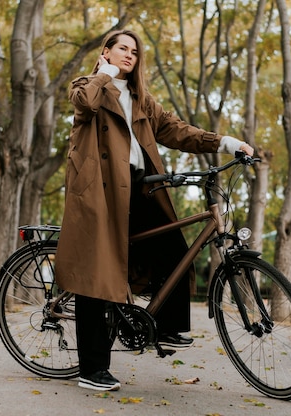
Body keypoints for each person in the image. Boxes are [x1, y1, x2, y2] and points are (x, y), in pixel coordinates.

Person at [56, 29, 254, 392]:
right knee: (96, 277)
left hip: (138, 187)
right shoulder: (91, 84)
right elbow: (83, 102)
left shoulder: (142, 101)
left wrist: (226, 143)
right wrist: (105, 73)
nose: (129, 55)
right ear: (107, 52)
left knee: (175, 248)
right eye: (122, 49)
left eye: (134, 51)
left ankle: (164, 326)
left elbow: (179, 132)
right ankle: (92, 369)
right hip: (99, 192)